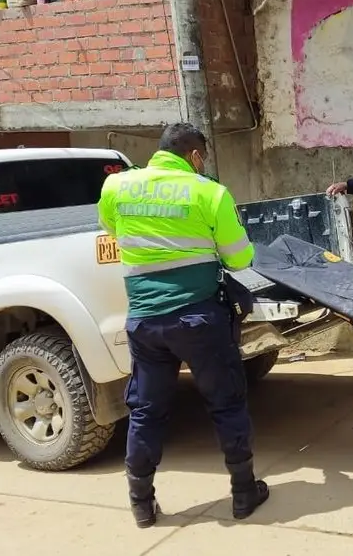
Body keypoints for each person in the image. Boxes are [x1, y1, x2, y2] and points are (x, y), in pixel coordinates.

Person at [98, 123, 270, 528]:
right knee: (226, 404)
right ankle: (244, 493)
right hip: (199, 319)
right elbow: (239, 259)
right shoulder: (208, 191)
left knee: (146, 412)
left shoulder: (116, 187)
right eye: (202, 158)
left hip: (144, 321)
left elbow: (113, 231)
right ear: (195, 156)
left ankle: (142, 503)